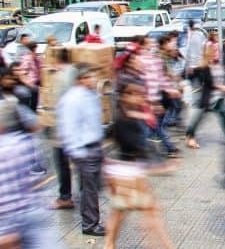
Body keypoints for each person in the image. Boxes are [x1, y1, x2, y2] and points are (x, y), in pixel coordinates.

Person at [104, 81, 175, 249]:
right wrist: (160, 167)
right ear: (126, 96)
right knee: (151, 215)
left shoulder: (127, 115)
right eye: (138, 95)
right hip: (128, 175)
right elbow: (136, 147)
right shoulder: (124, 119)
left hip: (123, 172)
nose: (142, 98)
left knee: (119, 213)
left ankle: (108, 245)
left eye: (143, 95)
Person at [56, 63, 106, 236]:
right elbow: (69, 127)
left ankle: (91, 220)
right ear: (80, 80)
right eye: (88, 77)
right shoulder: (73, 99)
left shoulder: (90, 95)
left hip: (94, 147)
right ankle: (90, 224)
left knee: (91, 188)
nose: (92, 79)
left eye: (92, 76)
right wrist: (78, 152)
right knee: (89, 189)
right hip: (84, 149)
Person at [0, 119, 60, 248]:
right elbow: (40, 174)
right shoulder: (23, 142)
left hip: (17, 219)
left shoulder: (11, 147)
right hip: (34, 212)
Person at [45, 48, 77, 210]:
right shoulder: (76, 73)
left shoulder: (59, 78)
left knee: (62, 163)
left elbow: (58, 105)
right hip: (77, 129)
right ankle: (84, 194)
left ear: (57, 60)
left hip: (64, 130)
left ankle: (65, 197)